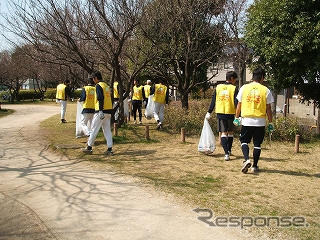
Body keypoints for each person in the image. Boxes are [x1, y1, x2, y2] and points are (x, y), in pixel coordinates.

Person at [233, 67, 274, 174]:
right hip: (260, 121)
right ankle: (255, 166)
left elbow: (239, 105)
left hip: (247, 120)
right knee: (257, 144)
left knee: (244, 141)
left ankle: (246, 159)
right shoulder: (266, 90)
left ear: (252, 77)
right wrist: (270, 122)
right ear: (262, 78)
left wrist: (237, 117)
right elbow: (268, 109)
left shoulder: (244, 88)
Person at [205, 71, 238, 161]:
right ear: (231, 78)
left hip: (220, 112)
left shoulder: (218, 87)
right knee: (230, 132)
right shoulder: (234, 88)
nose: (235, 81)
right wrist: (239, 115)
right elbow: (236, 103)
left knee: (223, 133)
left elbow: (213, 100)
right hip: (230, 112)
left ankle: (226, 153)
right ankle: (229, 150)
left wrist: (209, 112)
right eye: (235, 79)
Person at [82, 70, 114, 155]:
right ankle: (110, 149)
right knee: (107, 131)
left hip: (101, 111)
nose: (93, 80)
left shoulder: (98, 86)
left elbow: (100, 98)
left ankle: (89, 147)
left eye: (93, 78)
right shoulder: (106, 86)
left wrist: (100, 110)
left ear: (96, 78)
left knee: (94, 129)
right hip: (108, 111)